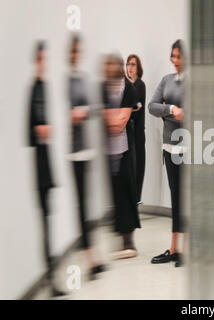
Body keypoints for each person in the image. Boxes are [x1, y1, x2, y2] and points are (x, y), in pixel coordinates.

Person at [28, 41, 67, 297]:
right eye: (41, 59)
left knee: (48, 222)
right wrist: (40, 131)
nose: (45, 64)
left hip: (47, 166)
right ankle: (51, 279)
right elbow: (30, 133)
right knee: (45, 223)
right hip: (39, 168)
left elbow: (48, 130)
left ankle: (52, 278)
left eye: (46, 59)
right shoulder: (34, 89)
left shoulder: (45, 87)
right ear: (36, 61)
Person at [67, 34, 105, 278]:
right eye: (73, 51)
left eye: (78, 51)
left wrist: (84, 112)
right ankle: (90, 259)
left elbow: (93, 108)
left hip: (86, 150)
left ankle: (91, 256)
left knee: (86, 205)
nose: (76, 55)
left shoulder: (81, 78)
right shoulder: (67, 80)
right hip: (73, 152)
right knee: (81, 206)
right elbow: (68, 115)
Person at [148, 40, 186, 267]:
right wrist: (171, 110)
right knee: (175, 197)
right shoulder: (166, 80)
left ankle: (186, 249)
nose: (174, 60)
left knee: (186, 198)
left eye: (178, 56)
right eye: (172, 55)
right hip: (169, 147)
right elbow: (152, 106)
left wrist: (170, 111)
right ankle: (174, 249)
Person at [102, 54, 141, 260]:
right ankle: (123, 243)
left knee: (126, 196)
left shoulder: (128, 88)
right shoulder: (103, 89)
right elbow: (108, 118)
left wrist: (110, 117)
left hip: (124, 151)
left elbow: (119, 124)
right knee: (116, 197)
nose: (112, 67)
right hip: (108, 153)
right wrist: (113, 117)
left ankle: (129, 244)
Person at [126, 54, 146, 205]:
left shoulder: (140, 85)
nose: (130, 67)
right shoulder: (126, 85)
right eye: (128, 64)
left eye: (133, 64)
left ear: (138, 68)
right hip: (127, 135)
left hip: (137, 134)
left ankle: (136, 201)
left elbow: (134, 106)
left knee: (138, 167)